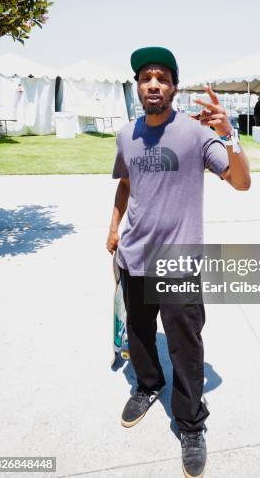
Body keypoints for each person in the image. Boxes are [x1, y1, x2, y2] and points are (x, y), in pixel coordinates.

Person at [106, 46, 251, 478]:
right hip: (134, 254)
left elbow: (241, 183)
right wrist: (113, 228)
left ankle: (190, 423)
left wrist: (231, 135)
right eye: (146, 77)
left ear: (174, 87)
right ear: (137, 86)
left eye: (162, 78)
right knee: (139, 330)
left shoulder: (195, 134)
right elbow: (125, 185)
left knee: (185, 344)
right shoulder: (125, 134)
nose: (153, 84)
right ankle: (148, 385)